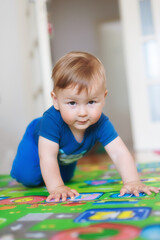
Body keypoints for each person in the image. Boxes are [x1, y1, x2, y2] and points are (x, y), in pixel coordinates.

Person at [10, 51, 160, 202]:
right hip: (37, 145)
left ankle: (54, 173)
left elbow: (119, 153)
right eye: (72, 103)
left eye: (91, 102)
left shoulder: (101, 123)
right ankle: (40, 174)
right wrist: (56, 188)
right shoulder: (51, 120)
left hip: (65, 156)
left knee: (66, 178)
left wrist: (132, 181)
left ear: (103, 98)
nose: (82, 113)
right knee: (29, 177)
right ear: (56, 101)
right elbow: (47, 156)